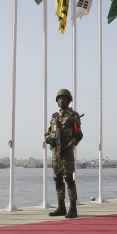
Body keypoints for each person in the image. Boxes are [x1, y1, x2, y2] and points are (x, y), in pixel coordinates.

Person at [44, 89, 83, 218]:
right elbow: (49, 132)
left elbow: (78, 135)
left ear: (69, 100)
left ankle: (73, 208)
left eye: (64, 98)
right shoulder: (55, 117)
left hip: (67, 151)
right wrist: (48, 138)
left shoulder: (73, 116)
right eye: (59, 98)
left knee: (68, 179)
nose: (62, 100)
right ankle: (61, 207)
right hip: (56, 152)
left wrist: (68, 146)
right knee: (58, 178)